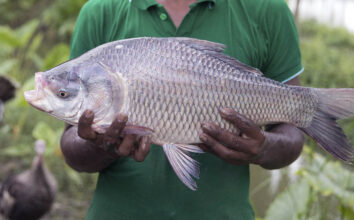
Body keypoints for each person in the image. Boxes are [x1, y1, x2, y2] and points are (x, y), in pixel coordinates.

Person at [60, 0, 304, 219]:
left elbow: (292, 136)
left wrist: (262, 148)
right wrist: (101, 145)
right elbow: (72, 146)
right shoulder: (100, 11)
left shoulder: (269, 9)